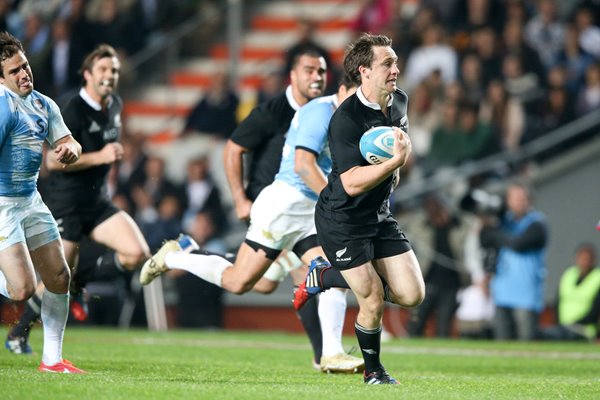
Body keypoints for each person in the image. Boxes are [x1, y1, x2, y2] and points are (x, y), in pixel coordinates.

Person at [140, 47, 362, 373]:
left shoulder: (332, 111)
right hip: (279, 207)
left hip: (307, 209)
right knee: (241, 282)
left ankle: (329, 353)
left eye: (320, 71)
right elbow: (237, 150)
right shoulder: (284, 111)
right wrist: (241, 198)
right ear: (293, 75)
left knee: (319, 272)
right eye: (309, 70)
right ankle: (175, 256)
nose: (316, 77)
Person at [296, 33, 425, 384]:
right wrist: (393, 163)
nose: (396, 69)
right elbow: (351, 182)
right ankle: (374, 372)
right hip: (343, 218)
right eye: (387, 63)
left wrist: (396, 169)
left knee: (412, 294)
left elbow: (397, 145)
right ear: (365, 71)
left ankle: (323, 275)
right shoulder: (346, 118)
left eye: (396, 62)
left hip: (378, 215)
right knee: (370, 298)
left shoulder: (399, 101)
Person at [5, 44, 151, 353]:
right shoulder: (71, 107)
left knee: (136, 253)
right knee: (48, 281)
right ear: (87, 74)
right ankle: (19, 332)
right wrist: (100, 157)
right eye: (103, 70)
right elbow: (52, 162)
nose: (110, 76)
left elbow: (79, 146)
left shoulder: (114, 105)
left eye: (114, 70)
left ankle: (78, 284)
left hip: (98, 201)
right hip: (66, 202)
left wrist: (91, 156)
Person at [0, 31, 84, 373]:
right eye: (15, 71)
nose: (24, 74)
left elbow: (70, 142)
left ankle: (52, 360)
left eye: (26, 65)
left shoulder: (43, 103)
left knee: (59, 276)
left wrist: (70, 151)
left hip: (31, 200)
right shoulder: (3, 108)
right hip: (2, 204)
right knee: (20, 289)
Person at [480, 181, 548, 341]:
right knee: (502, 342)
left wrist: (494, 231)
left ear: (529, 200)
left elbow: (518, 244)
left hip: (526, 295)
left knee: (526, 341)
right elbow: (485, 241)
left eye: (522, 198)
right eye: (515, 198)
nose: (519, 202)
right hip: (502, 290)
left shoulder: (537, 223)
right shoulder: (504, 222)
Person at [539, 243, 600, 341]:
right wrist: (558, 323)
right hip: (563, 327)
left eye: (587, 259)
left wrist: (576, 323)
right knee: (544, 333)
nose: (584, 262)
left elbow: (595, 310)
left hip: (584, 329)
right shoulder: (569, 275)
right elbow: (557, 302)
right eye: (582, 258)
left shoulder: (597, 277)